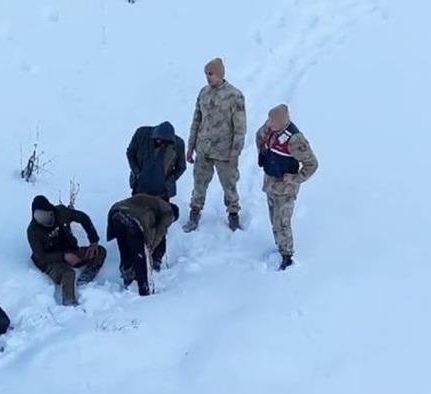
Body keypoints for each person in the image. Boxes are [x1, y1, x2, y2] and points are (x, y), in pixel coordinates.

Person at [184, 57, 247, 232]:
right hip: (203, 149)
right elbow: (196, 121)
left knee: (229, 184)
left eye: (211, 74)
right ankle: (194, 213)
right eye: (206, 74)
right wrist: (190, 147)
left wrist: (235, 153)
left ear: (220, 74)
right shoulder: (203, 93)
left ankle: (233, 214)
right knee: (199, 183)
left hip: (224, 151)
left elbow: (240, 128)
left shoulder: (234, 95)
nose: (207, 77)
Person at [255, 104, 319, 270]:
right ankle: (279, 246)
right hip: (271, 183)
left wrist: (296, 178)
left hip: (285, 189)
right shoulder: (270, 128)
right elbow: (259, 136)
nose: (268, 123)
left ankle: (287, 256)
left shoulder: (296, 140)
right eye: (268, 120)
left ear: (282, 122)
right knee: (273, 219)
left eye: (272, 121)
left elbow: (311, 164)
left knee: (282, 222)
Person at [126, 120, 186, 269]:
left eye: (167, 143)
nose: (163, 144)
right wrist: (137, 172)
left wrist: (169, 181)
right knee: (138, 220)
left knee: (160, 223)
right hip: (140, 188)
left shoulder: (178, 143)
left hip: (162, 192)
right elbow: (130, 153)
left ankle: (157, 256)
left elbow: (181, 167)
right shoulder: (142, 134)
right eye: (160, 141)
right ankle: (135, 253)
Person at [27, 195, 106, 306]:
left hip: (71, 250)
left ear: (51, 212)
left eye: (46, 218)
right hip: (51, 262)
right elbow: (41, 257)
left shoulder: (61, 212)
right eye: (40, 220)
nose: (44, 222)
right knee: (68, 274)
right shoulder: (33, 231)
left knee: (99, 251)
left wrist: (94, 241)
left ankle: (85, 281)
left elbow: (83, 218)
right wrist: (63, 256)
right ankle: (69, 304)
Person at [106, 194, 178, 296]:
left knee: (125, 250)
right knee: (140, 258)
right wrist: (149, 248)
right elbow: (159, 233)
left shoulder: (151, 201)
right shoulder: (168, 211)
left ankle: (128, 278)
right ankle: (144, 291)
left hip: (116, 213)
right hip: (133, 219)